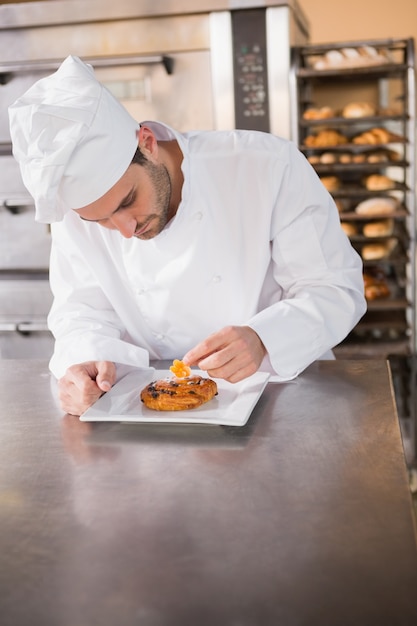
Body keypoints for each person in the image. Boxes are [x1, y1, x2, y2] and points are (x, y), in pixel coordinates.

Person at [8, 55, 366, 416]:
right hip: (147, 413)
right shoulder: (77, 216)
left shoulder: (265, 165)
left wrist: (265, 338)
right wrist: (84, 365)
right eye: (101, 221)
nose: (126, 230)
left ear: (146, 142)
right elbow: (81, 311)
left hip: (282, 400)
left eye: (128, 201)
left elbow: (334, 288)